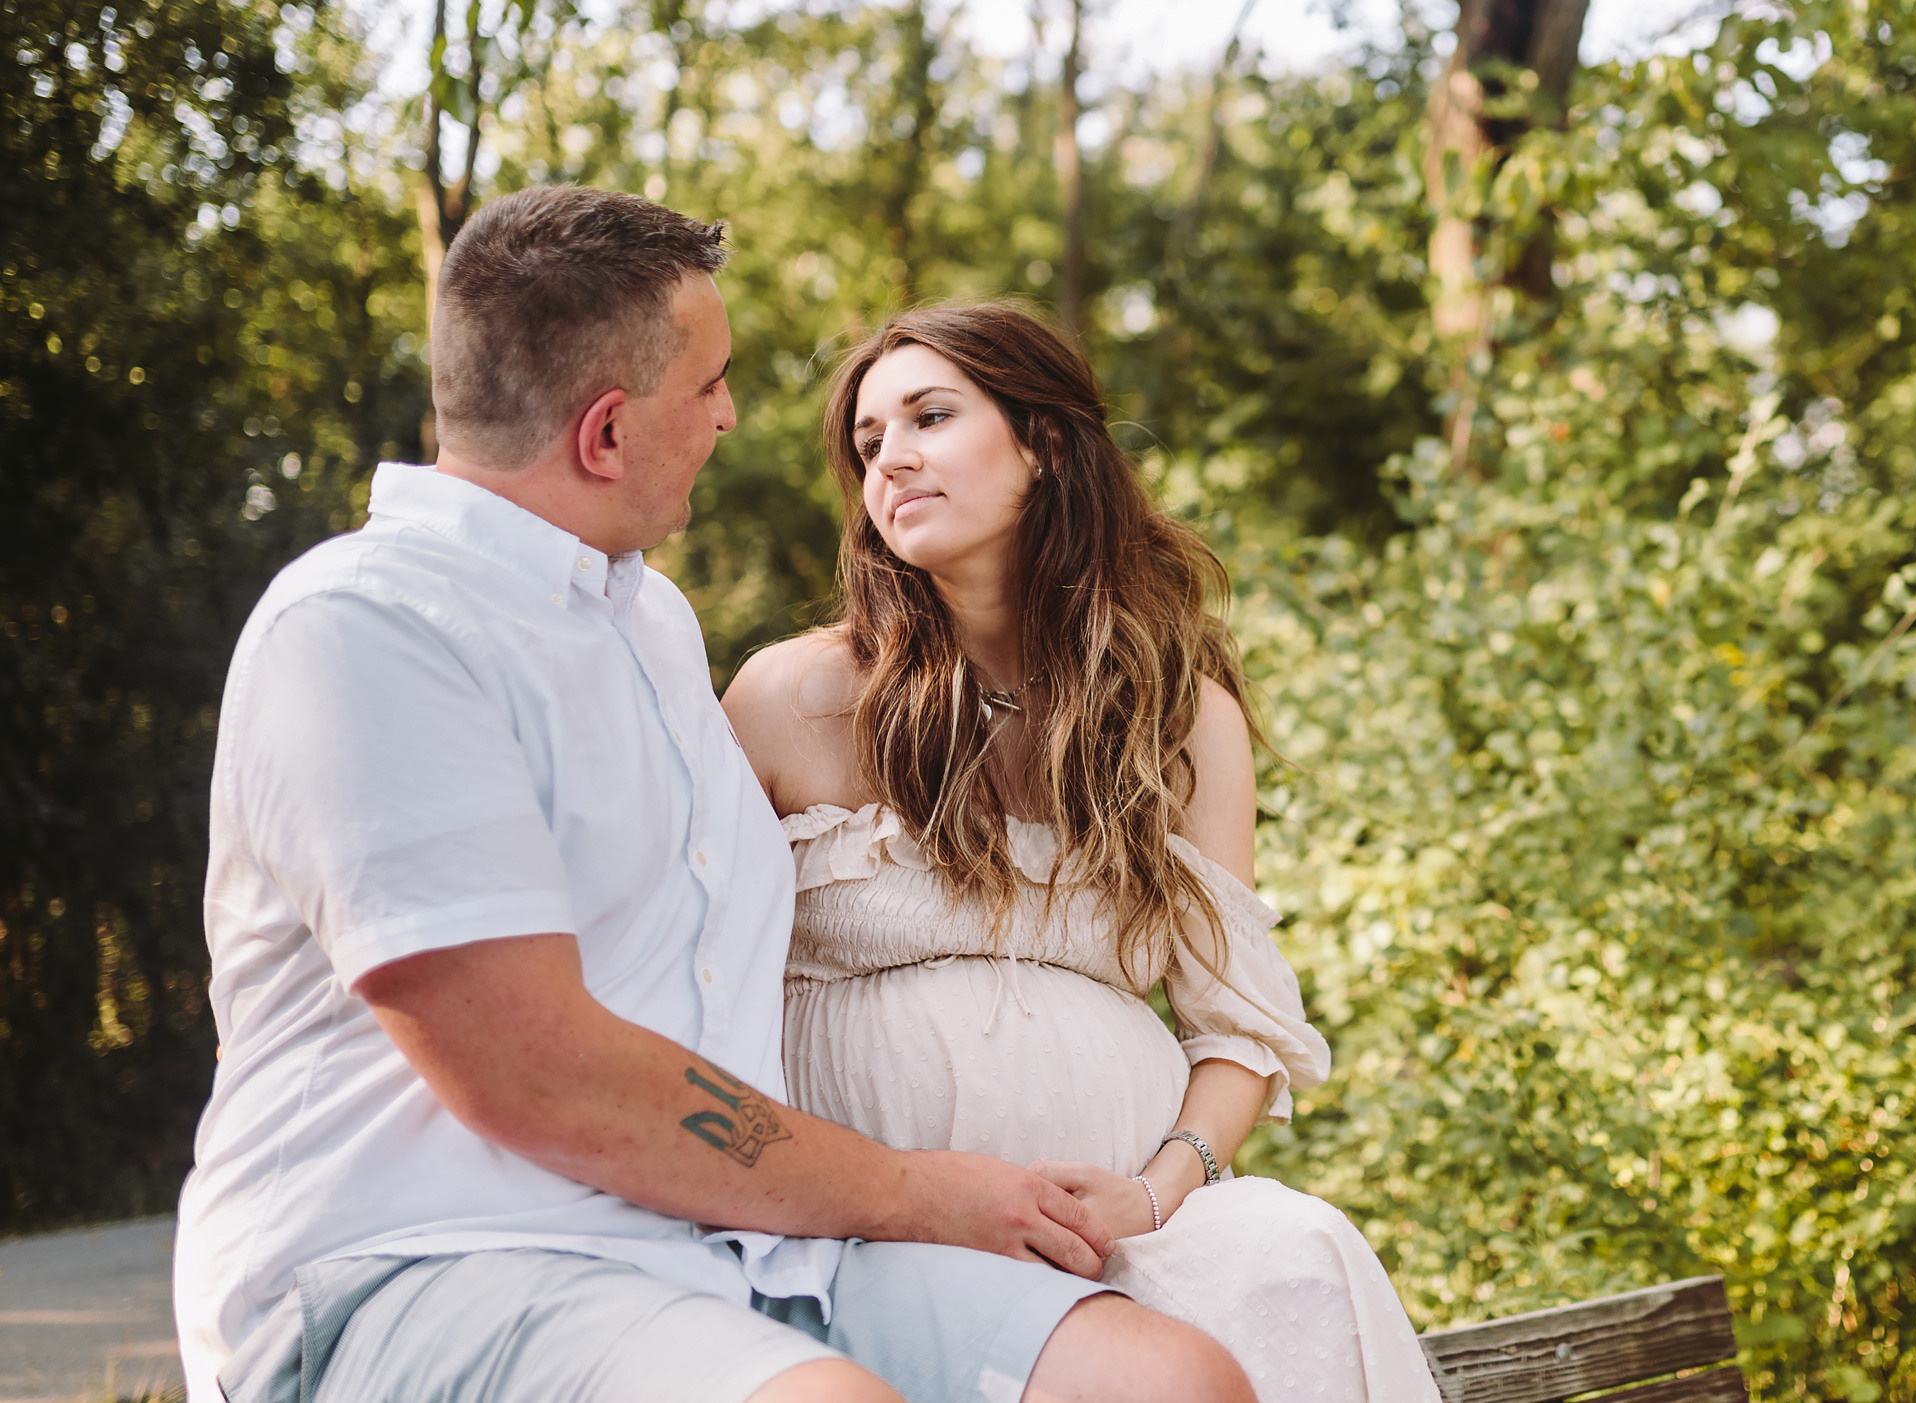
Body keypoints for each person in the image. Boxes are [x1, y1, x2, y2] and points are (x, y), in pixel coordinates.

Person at [171, 188, 1256, 1403]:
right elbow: (541, 1075)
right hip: (428, 1260)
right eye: (710, 385)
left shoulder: (647, 623)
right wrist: (913, 1188)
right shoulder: (370, 628)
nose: (731, 415)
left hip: (729, 1249)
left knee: (1168, 1384)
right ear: (605, 433)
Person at [721, 303, 1444, 1403]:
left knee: (1298, 1257)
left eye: (929, 417)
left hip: (1131, 1230)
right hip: (874, 1238)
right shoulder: (794, 696)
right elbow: (688, 994)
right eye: (869, 443)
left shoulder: (1176, 715)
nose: (890, 460)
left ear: (1045, 442)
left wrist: (1149, 1197)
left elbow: (1239, 1031)